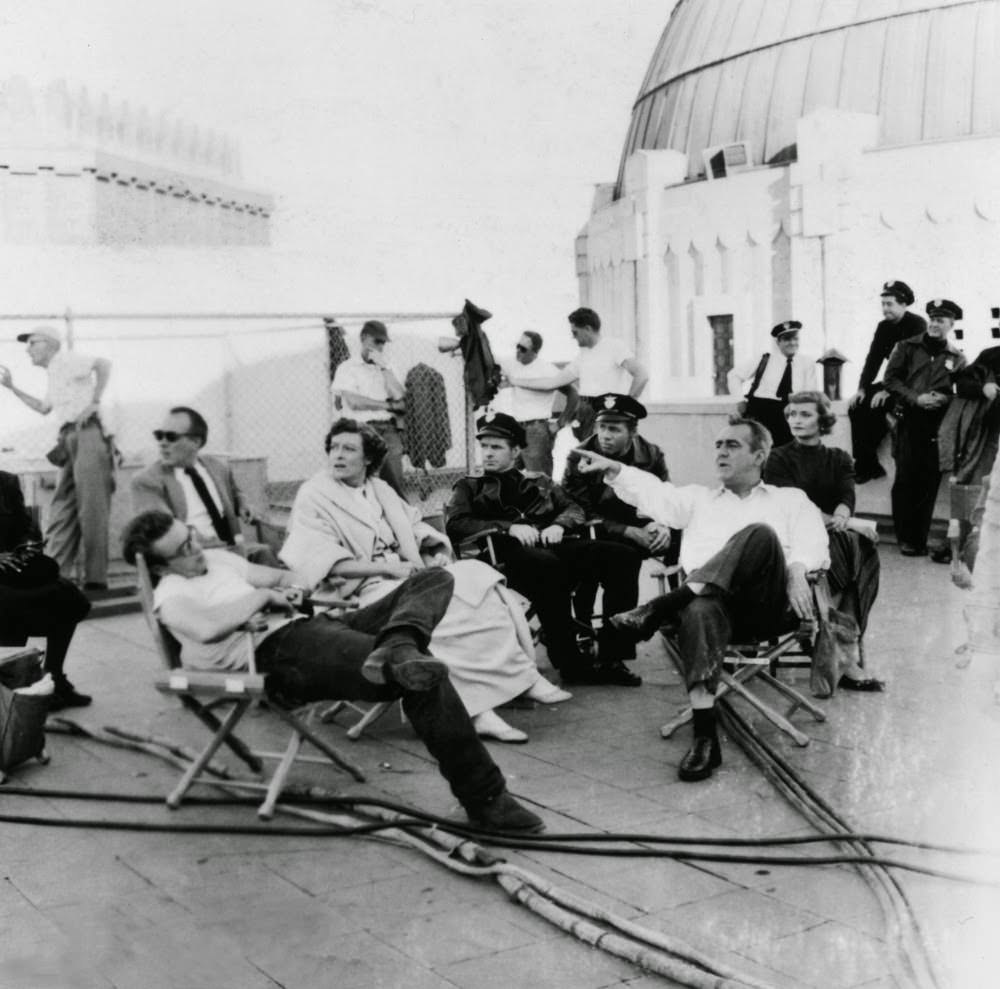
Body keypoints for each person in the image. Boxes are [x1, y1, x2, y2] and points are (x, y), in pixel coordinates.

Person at [120, 509, 543, 834]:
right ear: (160, 567)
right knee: (422, 676)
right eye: (183, 550)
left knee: (432, 579)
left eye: (190, 538)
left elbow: (286, 577)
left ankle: (398, 643)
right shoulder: (171, 594)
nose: (196, 549)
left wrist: (286, 589)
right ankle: (485, 798)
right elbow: (207, 628)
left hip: (314, 629)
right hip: (279, 656)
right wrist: (261, 598)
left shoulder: (215, 561)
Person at [279, 418, 568, 745]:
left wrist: (432, 554)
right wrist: (389, 570)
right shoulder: (315, 494)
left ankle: (518, 677)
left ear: (369, 459)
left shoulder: (379, 490)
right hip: (360, 590)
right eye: (333, 448)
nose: (337, 456)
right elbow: (316, 557)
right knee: (443, 605)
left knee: (480, 582)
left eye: (348, 449)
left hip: (409, 573)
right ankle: (472, 709)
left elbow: (415, 527)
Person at [577, 416, 828, 782]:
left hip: (767, 608)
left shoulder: (790, 500)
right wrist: (616, 468)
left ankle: (661, 607)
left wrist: (797, 567)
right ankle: (705, 738)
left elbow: (815, 543)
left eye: (732, 445)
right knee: (699, 609)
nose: (721, 452)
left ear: (760, 456)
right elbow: (656, 494)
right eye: (718, 446)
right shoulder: (697, 499)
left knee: (757, 535)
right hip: (713, 611)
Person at [445, 411, 646, 687]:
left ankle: (613, 654)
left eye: (496, 447)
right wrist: (508, 527)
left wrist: (561, 525)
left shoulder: (539, 481)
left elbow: (575, 508)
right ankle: (570, 663)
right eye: (484, 446)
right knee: (547, 566)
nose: (488, 453)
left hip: (554, 546)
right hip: (503, 556)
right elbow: (456, 524)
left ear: (515, 451)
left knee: (623, 556)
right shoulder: (469, 486)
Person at [763, 392, 884, 691]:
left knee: (862, 551)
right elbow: (797, 507)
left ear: (823, 420)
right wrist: (848, 522)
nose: (796, 420)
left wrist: (845, 512)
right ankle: (841, 655)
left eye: (805, 414)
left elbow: (847, 493)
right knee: (852, 547)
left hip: (833, 536)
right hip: (796, 538)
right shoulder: (777, 458)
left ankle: (831, 647)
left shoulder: (839, 458)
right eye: (792, 414)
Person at [0, 326, 114, 590]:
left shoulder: (67, 359)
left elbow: (104, 364)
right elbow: (43, 408)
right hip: (68, 439)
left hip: (87, 434)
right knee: (62, 509)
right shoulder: (55, 372)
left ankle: (97, 580)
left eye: (32, 343)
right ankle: (54, 575)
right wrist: (12, 388)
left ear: (50, 344)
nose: (28, 350)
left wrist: (95, 401)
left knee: (92, 508)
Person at [562, 393, 675, 634]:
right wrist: (628, 531)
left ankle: (674, 611)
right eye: (602, 427)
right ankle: (601, 633)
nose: (605, 435)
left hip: (642, 526)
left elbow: (667, 496)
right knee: (620, 556)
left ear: (632, 432)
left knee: (681, 538)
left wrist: (661, 524)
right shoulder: (579, 456)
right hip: (598, 529)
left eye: (614, 429)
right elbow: (579, 510)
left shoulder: (651, 454)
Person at [131, 406, 279, 566]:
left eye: (171, 437)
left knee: (264, 553)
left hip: (230, 548)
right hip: (188, 556)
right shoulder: (147, 481)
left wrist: (243, 503)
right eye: (159, 436)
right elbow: (164, 530)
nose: (162, 443)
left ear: (196, 442)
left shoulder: (217, 467)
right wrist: (202, 542)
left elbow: (234, 492)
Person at [0, 470, 92, 709]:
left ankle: (54, 678)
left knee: (65, 595)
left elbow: (25, 525)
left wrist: (28, 545)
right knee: (11, 603)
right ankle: (15, 689)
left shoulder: (6, 481)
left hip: (11, 568)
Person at [883, 298, 968, 556]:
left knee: (929, 482)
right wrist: (915, 397)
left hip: (938, 425)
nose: (933, 324)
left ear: (951, 325)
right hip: (909, 419)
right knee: (906, 479)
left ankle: (918, 540)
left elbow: (961, 390)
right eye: (932, 319)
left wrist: (945, 399)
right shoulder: (906, 347)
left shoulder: (958, 357)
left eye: (940, 320)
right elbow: (890, 380)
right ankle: (905, 538)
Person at [506, 307, 648, 441]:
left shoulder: (614, 346)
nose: (573, 337)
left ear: (587, 329)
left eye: (575, 332)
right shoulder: (582, 356)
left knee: (602, 458)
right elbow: (552, 383)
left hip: (607, 412)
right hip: (585, 412)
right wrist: (516, 381)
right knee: (587, 460)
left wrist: (626, 408)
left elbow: (641, 375)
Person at [848, 281, 927, 483]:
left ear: (903, 304)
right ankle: (867, 463)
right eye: (883, 304)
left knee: (879, 406)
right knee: (856, 406)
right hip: (892, 381)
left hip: (913, 384)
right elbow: (873, 358)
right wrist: (862, 388)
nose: (885, 309)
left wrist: (889, 391)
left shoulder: (917, 324)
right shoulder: (883, 327)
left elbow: (914, 366)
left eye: (889, 304)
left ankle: (866, 466)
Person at [330, 320, 407, 497]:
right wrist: (387, 405)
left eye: (383, 343)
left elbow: (399, 396)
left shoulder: (387, 367)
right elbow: (355, 402)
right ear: (364, 338)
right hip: (361, 429)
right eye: (376, 342)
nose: (380, 347)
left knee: (394, 482)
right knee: (361, 482)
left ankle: (399, 519)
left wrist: (384, 368)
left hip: (387, 428)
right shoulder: (348, 368)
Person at [496, 330, 577, 476]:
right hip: (515, 429)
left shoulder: (547, 369)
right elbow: (491, 364)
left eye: (523, 349)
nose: (518, 351)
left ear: (535, 352)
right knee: (507, 475)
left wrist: (560, 423)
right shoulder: (512, 364)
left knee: (539, 479)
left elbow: (573, 394)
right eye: (517, 346)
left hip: (536, 430)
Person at [727, 321, 819, 448]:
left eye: (795, 339)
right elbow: (734, 375)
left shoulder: (807, 363)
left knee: (786, 454)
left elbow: (811, 393)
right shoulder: (765, 359)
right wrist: (739, 401)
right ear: (778, 342)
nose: (792, 343)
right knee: (759, 452)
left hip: (789, 412)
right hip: (761, 410)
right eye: (787, 339)